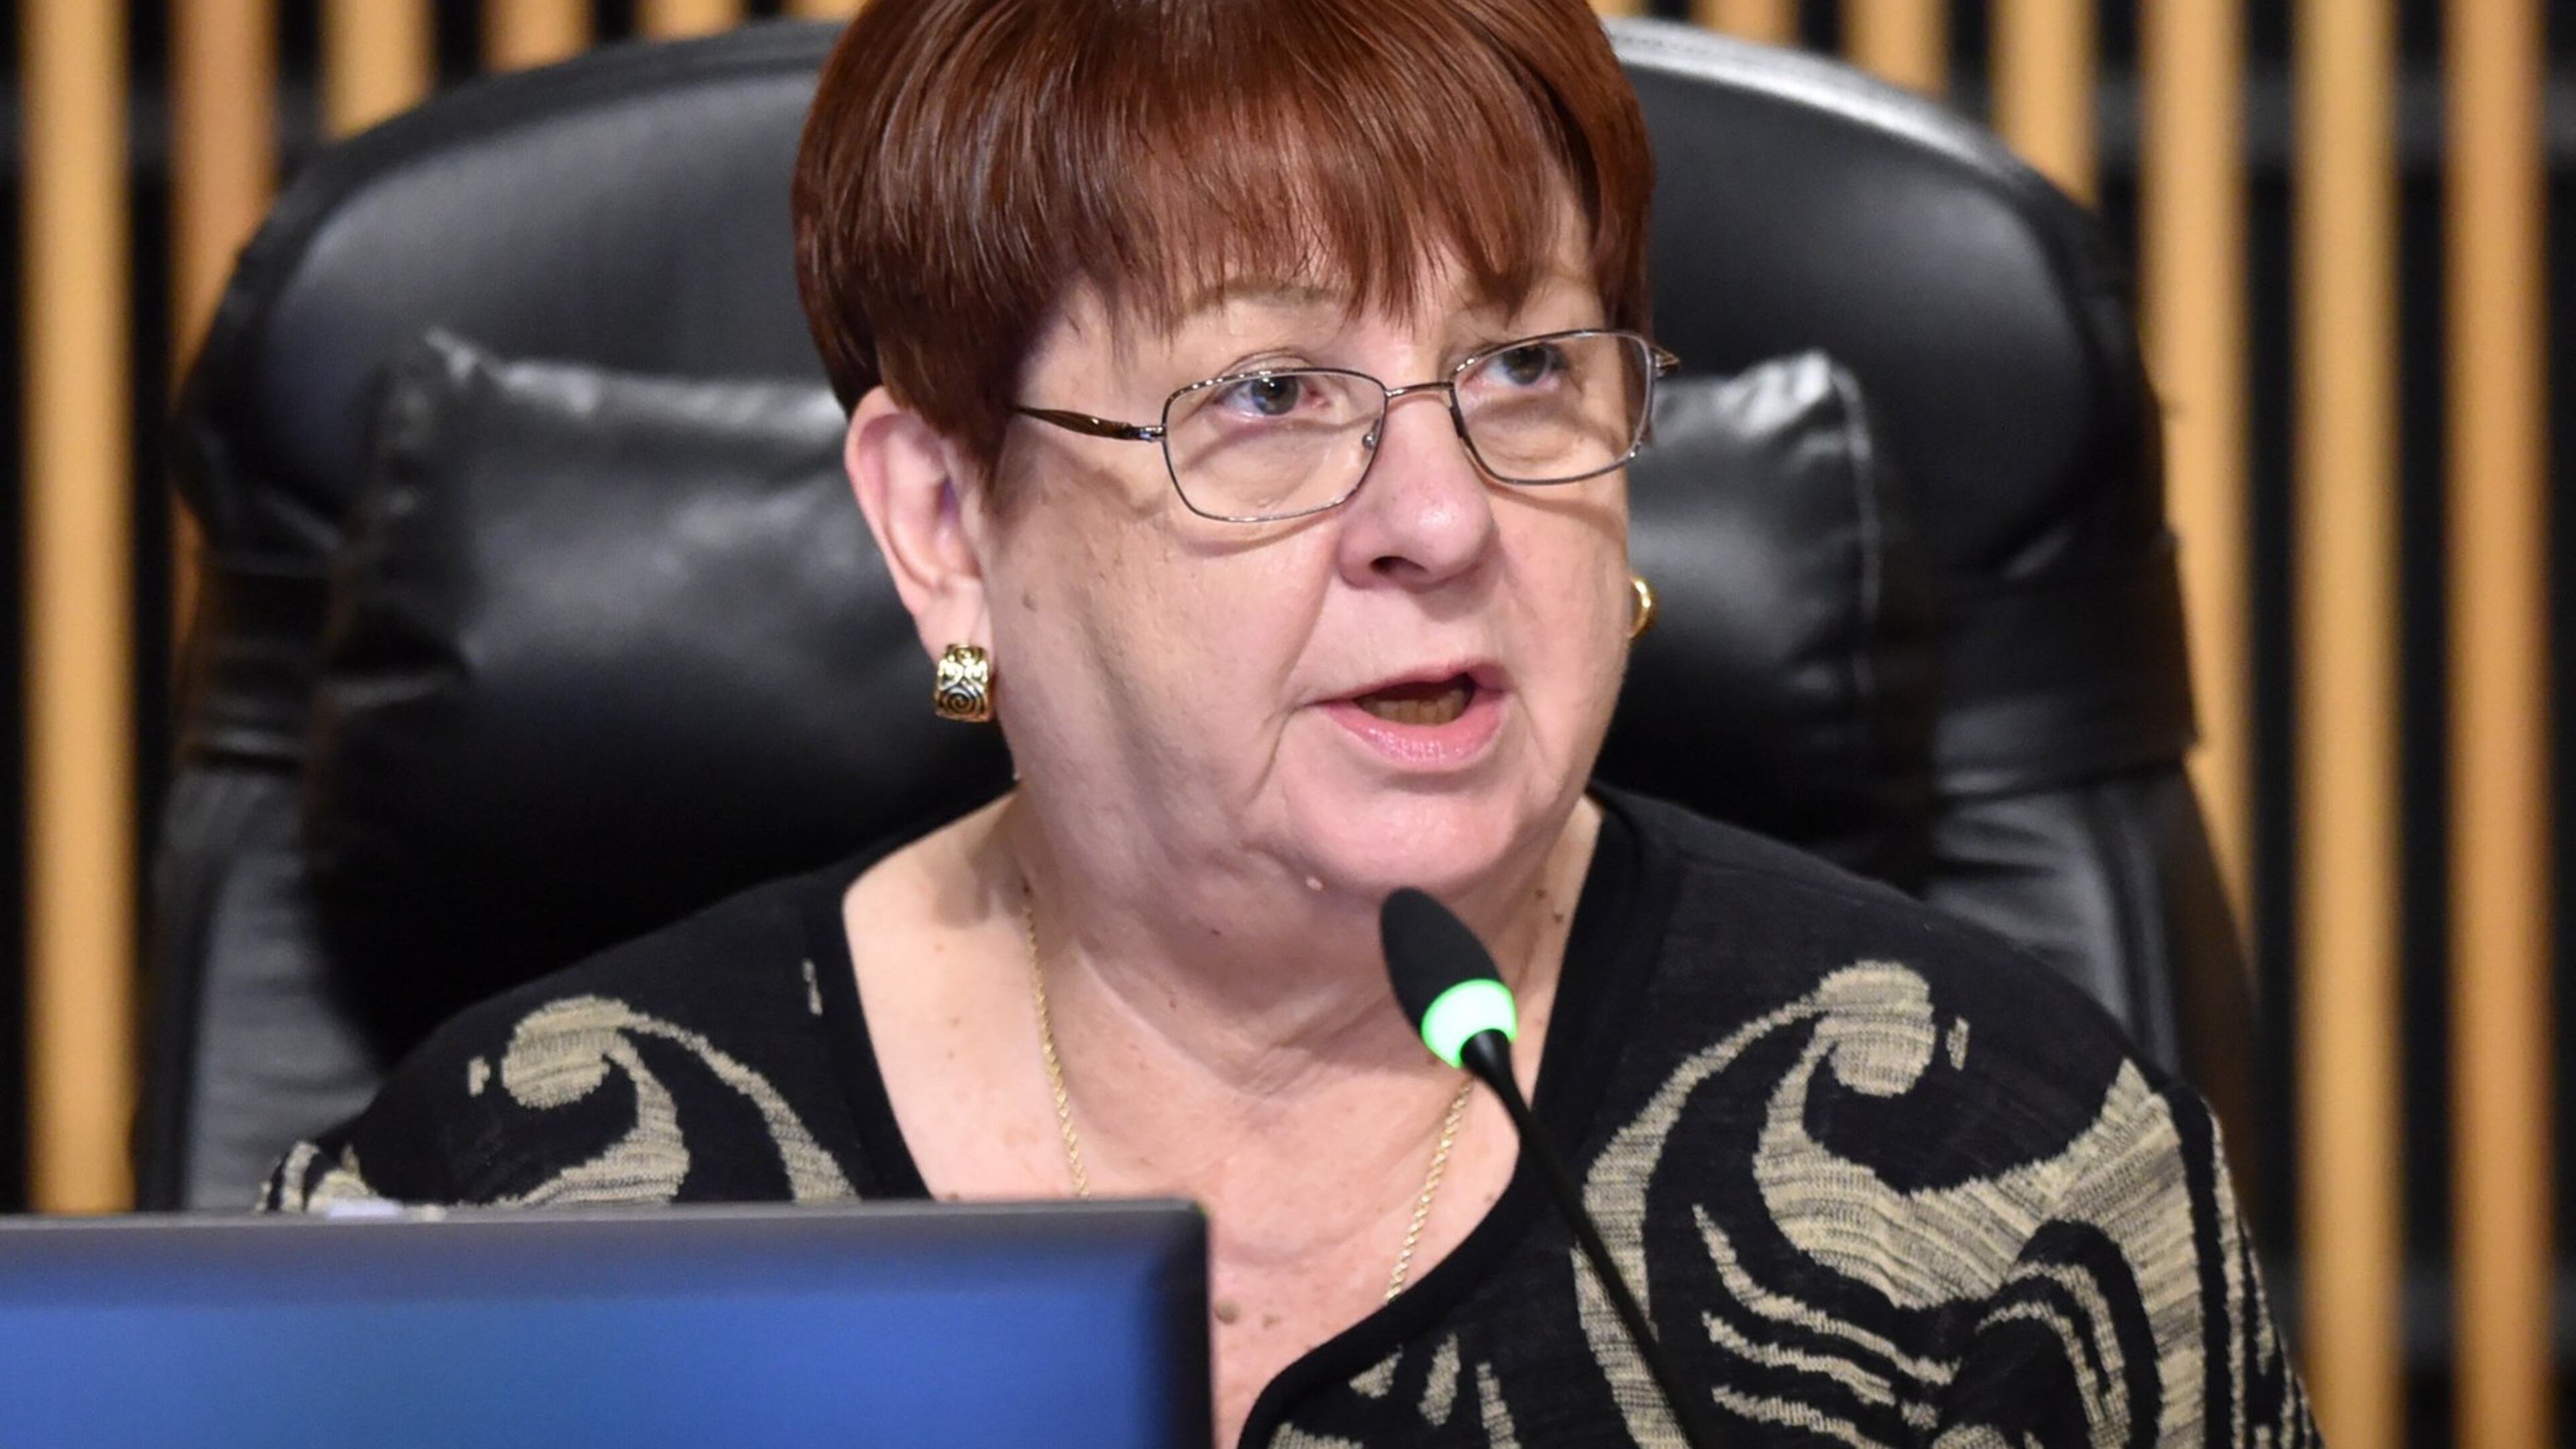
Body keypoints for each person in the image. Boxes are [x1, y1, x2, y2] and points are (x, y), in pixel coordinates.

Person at [264, 1, 2316, 1444]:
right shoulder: (514, 1210)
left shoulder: (2003, 1196)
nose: (1440, 519)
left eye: (1524, 369)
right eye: (1264, 395)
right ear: (945, 519)